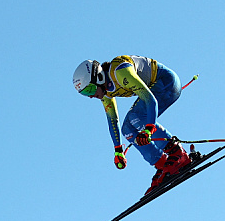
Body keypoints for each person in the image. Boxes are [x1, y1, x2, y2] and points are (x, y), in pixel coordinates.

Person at [72, 55, 191, 194]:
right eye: (85, 94)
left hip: (167, 83)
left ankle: (177, 154)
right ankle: (162, 164)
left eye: (90, 90)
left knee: (136, 117)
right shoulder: (105, 93)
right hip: (156, 90)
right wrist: (117, 150)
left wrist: (149, 129)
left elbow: (150, 100)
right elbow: (112, 120)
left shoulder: (120, 72)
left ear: (99, 78)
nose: (91, 96)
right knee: (127, 128)